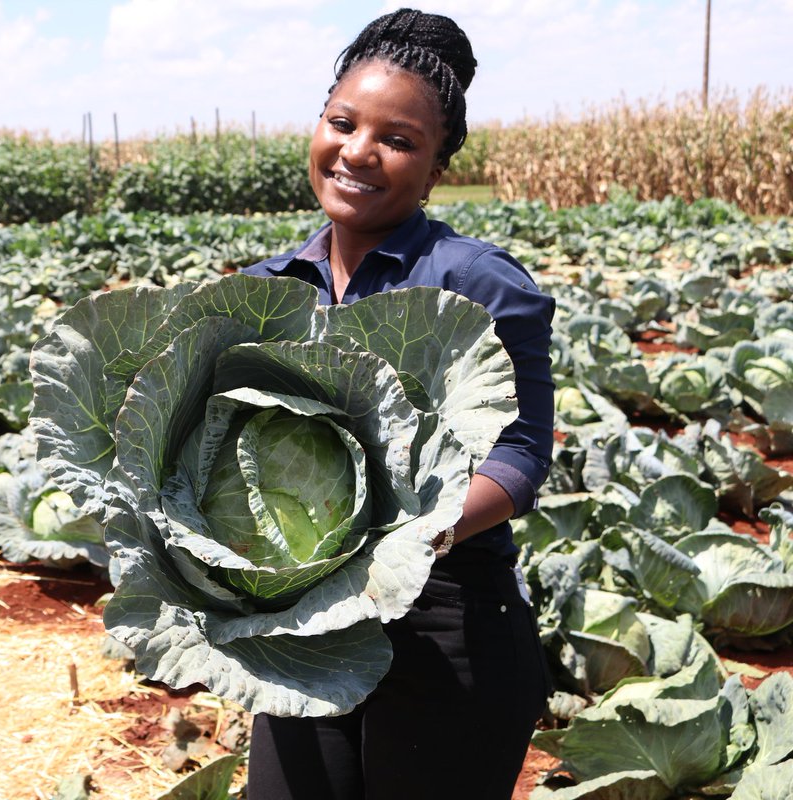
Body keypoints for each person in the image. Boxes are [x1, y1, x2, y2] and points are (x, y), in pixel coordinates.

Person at [241, 9, 555, 800]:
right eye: (342, 123)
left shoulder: (478, 283)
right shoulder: (264, 290)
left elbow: (519, 461)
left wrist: (408, 537)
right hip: (306, 620)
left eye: (399, 139)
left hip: (446, 622)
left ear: (437, 166)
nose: (358, 152)